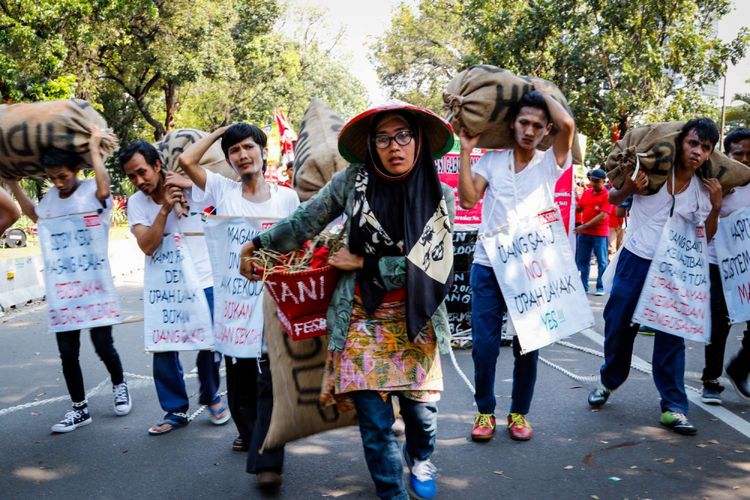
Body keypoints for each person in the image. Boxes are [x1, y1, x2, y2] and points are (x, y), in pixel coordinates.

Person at [239, 101, 455, 500]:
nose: (395, 146)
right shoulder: (351, 182)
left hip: (416, 317)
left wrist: (364, 261)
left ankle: (421, 458)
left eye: (403, 135)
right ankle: (393, 494)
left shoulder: (440, 195)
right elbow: (307, 219)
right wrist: (259, 244)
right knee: (374, 424)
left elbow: (432, 267)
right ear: (371, 146)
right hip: (359, 317)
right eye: (383, 138)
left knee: (421, 417)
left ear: (419, 141)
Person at [178, 123, 299, 490]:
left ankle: (267, 460)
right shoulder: (222, 189)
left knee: (270, 384)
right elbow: (187, 159)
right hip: (235, 309)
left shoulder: (287, 199)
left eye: (249, 147)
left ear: (264, 152)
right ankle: (251, 435)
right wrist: (221, 132)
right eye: (235, 151)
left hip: (275, 306)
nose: (243, 155)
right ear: (228, 160)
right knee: (241, 390)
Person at [588, 118, 724, 435]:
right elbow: (611, 200)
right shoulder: (655, 174)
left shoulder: (704, 192)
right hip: (635, 258)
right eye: (693, 143)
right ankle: (609, 381)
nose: (697, 152)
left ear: (709, 154)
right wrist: (628, 189)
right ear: (681, 144)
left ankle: (674, 407)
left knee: (671, 336)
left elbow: (706, 236)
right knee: (618, 322)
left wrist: (716, 207)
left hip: (675, 270)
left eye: (705, 148)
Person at [457, 84, 575, 443]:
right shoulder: (491, 162)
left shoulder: (549, 164)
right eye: (523, 122)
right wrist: (466, 152)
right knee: (485, 345)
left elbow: (567, 125)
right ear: (513, 124)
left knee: (528, 344)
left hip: (532, 269)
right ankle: (485, 412)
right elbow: (466, 201)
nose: (529, 130)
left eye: (538, 126)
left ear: (545, 131)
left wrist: (538, 90)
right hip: (488, 265)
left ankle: (519, 413)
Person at [6, 129, 132, 433]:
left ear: (76, 169)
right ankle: (79, 409)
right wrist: (12, 184)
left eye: (62, 175)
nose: (57, 182)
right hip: (63, 293)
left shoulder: (92, 191)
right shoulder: (50, 199)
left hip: (95, 289)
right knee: (67, 353)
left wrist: (92, 147)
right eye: (52, 177)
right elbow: (37, 217)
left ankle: (119, 384)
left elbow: (105, 188)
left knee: (103, 345)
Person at [119, 140, 230, 434]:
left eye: (142, 172)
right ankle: (174, 409)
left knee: (210, 343)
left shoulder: (192, 186)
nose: (139, 181)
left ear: (157, 165)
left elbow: (229, 191)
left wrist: (187, 184)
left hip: (205, 278)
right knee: (164, 347)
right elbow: (147, 245)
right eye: (132, 176)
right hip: (166, 288)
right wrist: (165, 209)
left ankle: (212, 395)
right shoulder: (136, 203)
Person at [701, 127, 750, 404]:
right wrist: (716, 203)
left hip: (748, 266)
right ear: (727, 155)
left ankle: (739, 368)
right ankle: (711, 380)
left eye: (749, 154)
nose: (744, 159)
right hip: (716, 262)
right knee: (719, 322)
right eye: (738, 154)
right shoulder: (713, 183)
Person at [575, 168, 610, 295]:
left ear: (603, 181)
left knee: (602, 262)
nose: (593, 183)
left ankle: (600, 287)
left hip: (599, 234)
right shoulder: (586, 192)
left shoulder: (607, 195)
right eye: (592, 180)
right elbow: (580, 208)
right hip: (585, 234)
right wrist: (573, 205)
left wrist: (585, 226)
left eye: (597, 181)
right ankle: (583, 287)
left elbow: (603, 215)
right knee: (582, 261)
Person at [607, 192, 625, 259]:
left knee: (619, 246)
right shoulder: (611, 195)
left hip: (620, 224)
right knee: (612, 248)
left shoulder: (623, 196)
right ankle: (611, 265)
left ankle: (616, 263)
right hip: (612, 224)